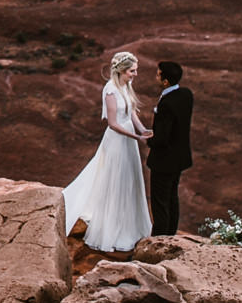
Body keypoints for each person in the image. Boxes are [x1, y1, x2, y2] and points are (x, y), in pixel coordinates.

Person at [62, 49, 151, 254]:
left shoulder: (126, 85)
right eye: (132, 71)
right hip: (118, 140)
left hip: (129, 138)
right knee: (115, 179)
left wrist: (142, 129)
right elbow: (112, 123)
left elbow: (131, 112)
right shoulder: (110, 90)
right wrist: (136, 137)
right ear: (121, 71)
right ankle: (113, 223)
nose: (135, 74)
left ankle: (129, 222)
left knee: (129, 179)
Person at [148, 59, 196, 236]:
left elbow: (161, 137)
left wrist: (149, 140)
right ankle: (171, 234)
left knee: (160, 201)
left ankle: (160, 238)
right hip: (180, 157)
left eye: (158, 74)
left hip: (164, 160)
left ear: (165, 81)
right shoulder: (186, 94)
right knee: (172, 197)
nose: (156, 76)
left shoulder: (166, 103)